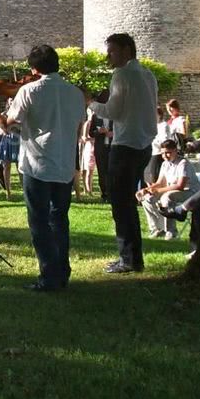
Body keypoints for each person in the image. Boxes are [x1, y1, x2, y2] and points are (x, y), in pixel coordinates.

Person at [0, 45, 86, 292]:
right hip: (65, 162)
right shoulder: (75, 93)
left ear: (34, 69)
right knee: (59, 219)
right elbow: (78, 125)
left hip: (38, 164)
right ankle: (62, 272)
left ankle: (49, 276)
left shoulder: (29, 90)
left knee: (39, 221)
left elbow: (7, 124)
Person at [88, 33, 158, 274]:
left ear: (127, 50)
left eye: (112, 51)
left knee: (121, 204)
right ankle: (133, 257)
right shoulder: (148, 75)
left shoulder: (122, 75)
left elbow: (113, 111)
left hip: (125, 144)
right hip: (144, 145)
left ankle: (128, 259)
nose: (108, 56)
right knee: (128, 202)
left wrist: (90, 103)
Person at [137, 138, 200, 241]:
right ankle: (157, 229)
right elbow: (159, 183)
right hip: (171, 190)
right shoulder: (165, 164)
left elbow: (180, 186)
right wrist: (146, 190)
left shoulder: (183, 163)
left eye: (168, 153)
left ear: (175, 150)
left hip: (189, 192)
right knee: (147, 198)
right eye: (163, 153)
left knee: (167, 198)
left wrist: (158, 191)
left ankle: (171, 232)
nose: (165, 156)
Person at [145, 106, 175, 184]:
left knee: (154, 176)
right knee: (148, 177)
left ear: (159, 115)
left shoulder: (163, 125)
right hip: (151, 153)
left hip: (158, 154)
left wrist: (151, 140)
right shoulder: (152, 125)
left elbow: (164, 141)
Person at [0, 98, 22, 199]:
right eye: (11, 100)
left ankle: (25, 190)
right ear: (8, 102)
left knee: (20, 167)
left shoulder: (21, 113)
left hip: (18, 141)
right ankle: (8, 192)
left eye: (14, 100)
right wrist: (3, 130)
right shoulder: (4, 114)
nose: (12, 101)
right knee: (6, 166)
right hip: (7, 141)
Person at [79, 107, 97, 195]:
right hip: (90, 147)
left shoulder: (96, 123)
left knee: (92, 170)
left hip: (95, 147)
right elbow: (84, 138)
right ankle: (88, 189)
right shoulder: (87, 123)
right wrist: (94, 139)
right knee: (88, 169)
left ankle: (90, 188)